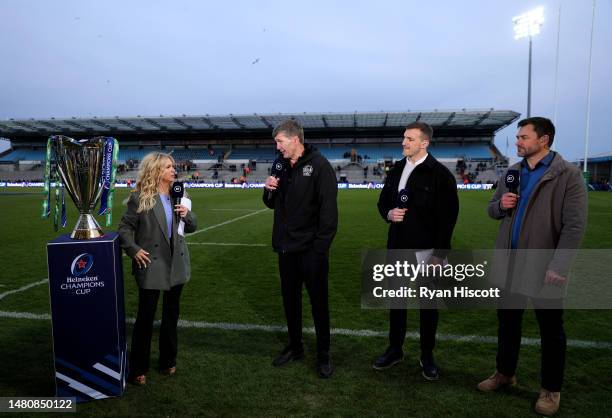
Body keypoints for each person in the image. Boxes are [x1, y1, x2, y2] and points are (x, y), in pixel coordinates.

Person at [477, 117, 587, 416]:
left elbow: (574, 226)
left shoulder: (567, 175)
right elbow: (491, 208)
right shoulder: (513, 172)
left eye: (524, 137)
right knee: (508, 323)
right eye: (518, 137)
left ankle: (551, 390)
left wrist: (560, 265)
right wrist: (503, 205)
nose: (517, 142)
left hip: (544, 266)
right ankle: (505, 373)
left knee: (551, 330)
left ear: (544, 140)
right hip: (509, 262)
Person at [373, 121, 459, 380]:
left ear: (424, 143)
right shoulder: (396, 168)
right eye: (404, 138)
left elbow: (448, 219)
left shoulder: (440, 175)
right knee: (396, 302)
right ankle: (395, 350)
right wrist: (389, 213)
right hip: (397, 248)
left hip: (427, 252)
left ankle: (427, 354)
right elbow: (382, 202)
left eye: (410, 139)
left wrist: (439, 255)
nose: (404, 142)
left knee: (428, 306)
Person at [263, 119, 338, 378]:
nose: (277, 147)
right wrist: (268, 190)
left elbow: (329, 215)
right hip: (286, 249)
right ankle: (296, 347)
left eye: (280, 142)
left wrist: (319, 251)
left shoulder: (320, 166)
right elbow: (272, 204)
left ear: (295, 139)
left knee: (319, 304)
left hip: (311, 252)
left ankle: (324, 354)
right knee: (290, 302)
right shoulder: (280, 164)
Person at [118, 152, 197, 386]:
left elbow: (192, 226)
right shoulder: (140, 197)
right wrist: (133, 250)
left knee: (171, 316)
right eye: (168, 167)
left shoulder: (179, 194)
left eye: (173, 167)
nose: (174, 170)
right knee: (145, 318)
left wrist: (187, 214)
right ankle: (138, 367)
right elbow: (124, 229)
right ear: (156, 171)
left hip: (177, 264)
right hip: (151, 263)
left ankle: (167, 361)